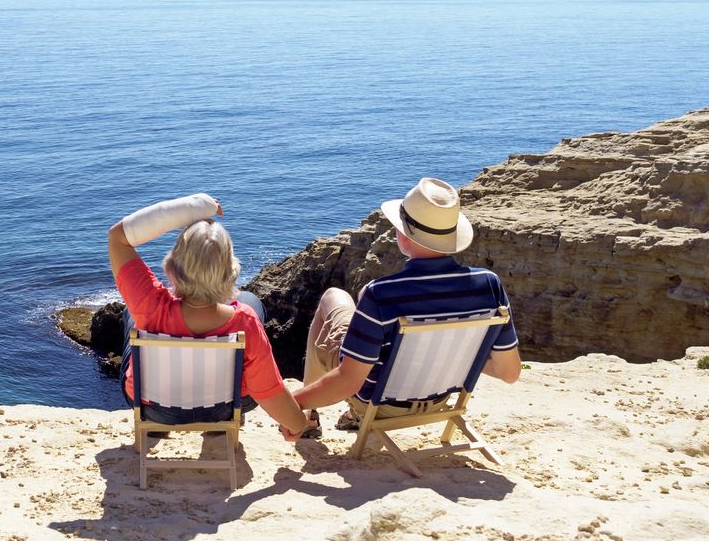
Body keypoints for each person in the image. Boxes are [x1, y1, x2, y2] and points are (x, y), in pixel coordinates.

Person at [293, 178, 522, 437]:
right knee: (366, 309)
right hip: (439, 401)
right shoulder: (489, 285)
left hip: (378, 405)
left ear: (403, 234)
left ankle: (306, 416)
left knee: (333, 297)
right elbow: (510, 372)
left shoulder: (380, 293)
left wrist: (293, 403)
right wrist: (456, 351)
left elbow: (348, 381)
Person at [108, 192, 312, 441]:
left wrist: (194, 208)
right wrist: (298, 423)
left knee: (132, 312)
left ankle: (156, 427)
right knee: (250, 302)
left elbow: (118, 236)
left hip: (153, 408)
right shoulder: (244, 321)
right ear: (230, 271)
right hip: (224, 409)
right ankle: (216, 426)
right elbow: (269, 391)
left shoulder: (149, 304)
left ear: (172, 265)